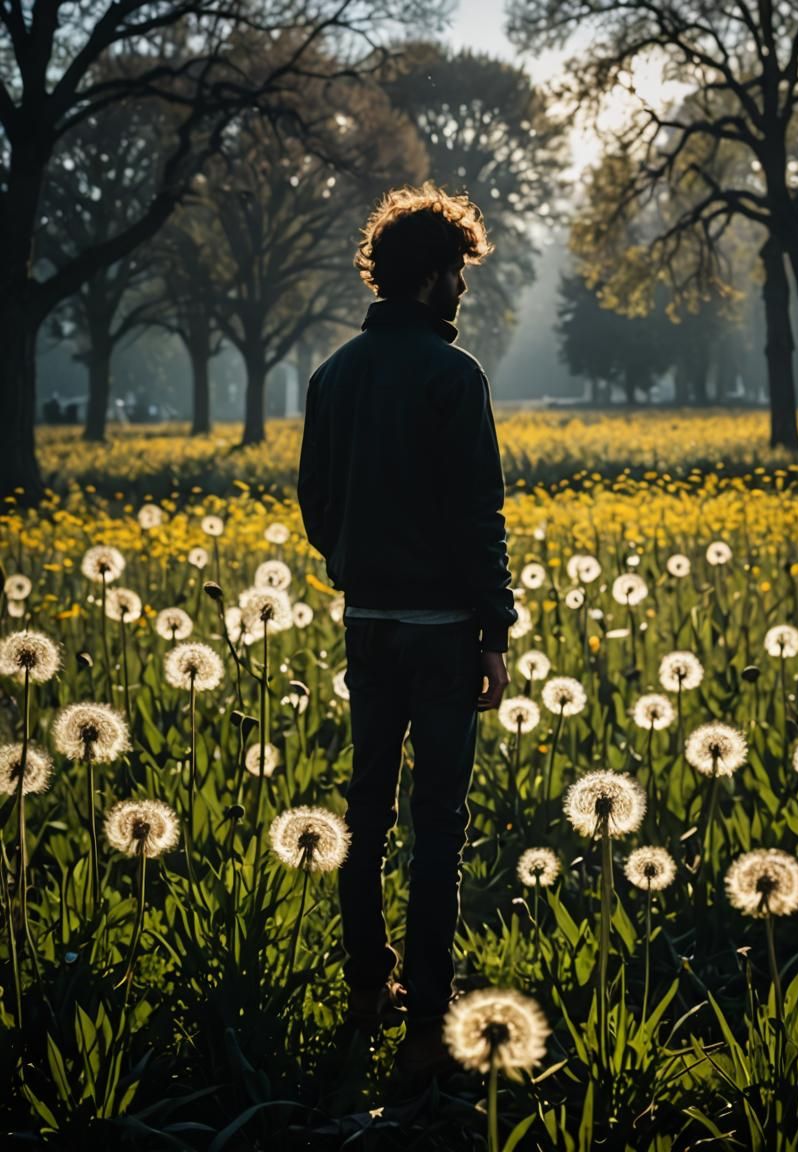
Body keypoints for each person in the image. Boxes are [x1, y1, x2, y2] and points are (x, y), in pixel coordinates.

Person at [296, 182, 517, 1086]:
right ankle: (427, 1024)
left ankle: (363, 987)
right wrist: (494, 630)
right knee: (439, 830)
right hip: (441, 634)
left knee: (363, 815)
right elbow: (479, 515)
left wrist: (356, 562)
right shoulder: (454, 378)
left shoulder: (332, 376)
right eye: (458, 272)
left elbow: (316, 505)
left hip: (367, 627)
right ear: (431, 276)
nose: (464, 289)